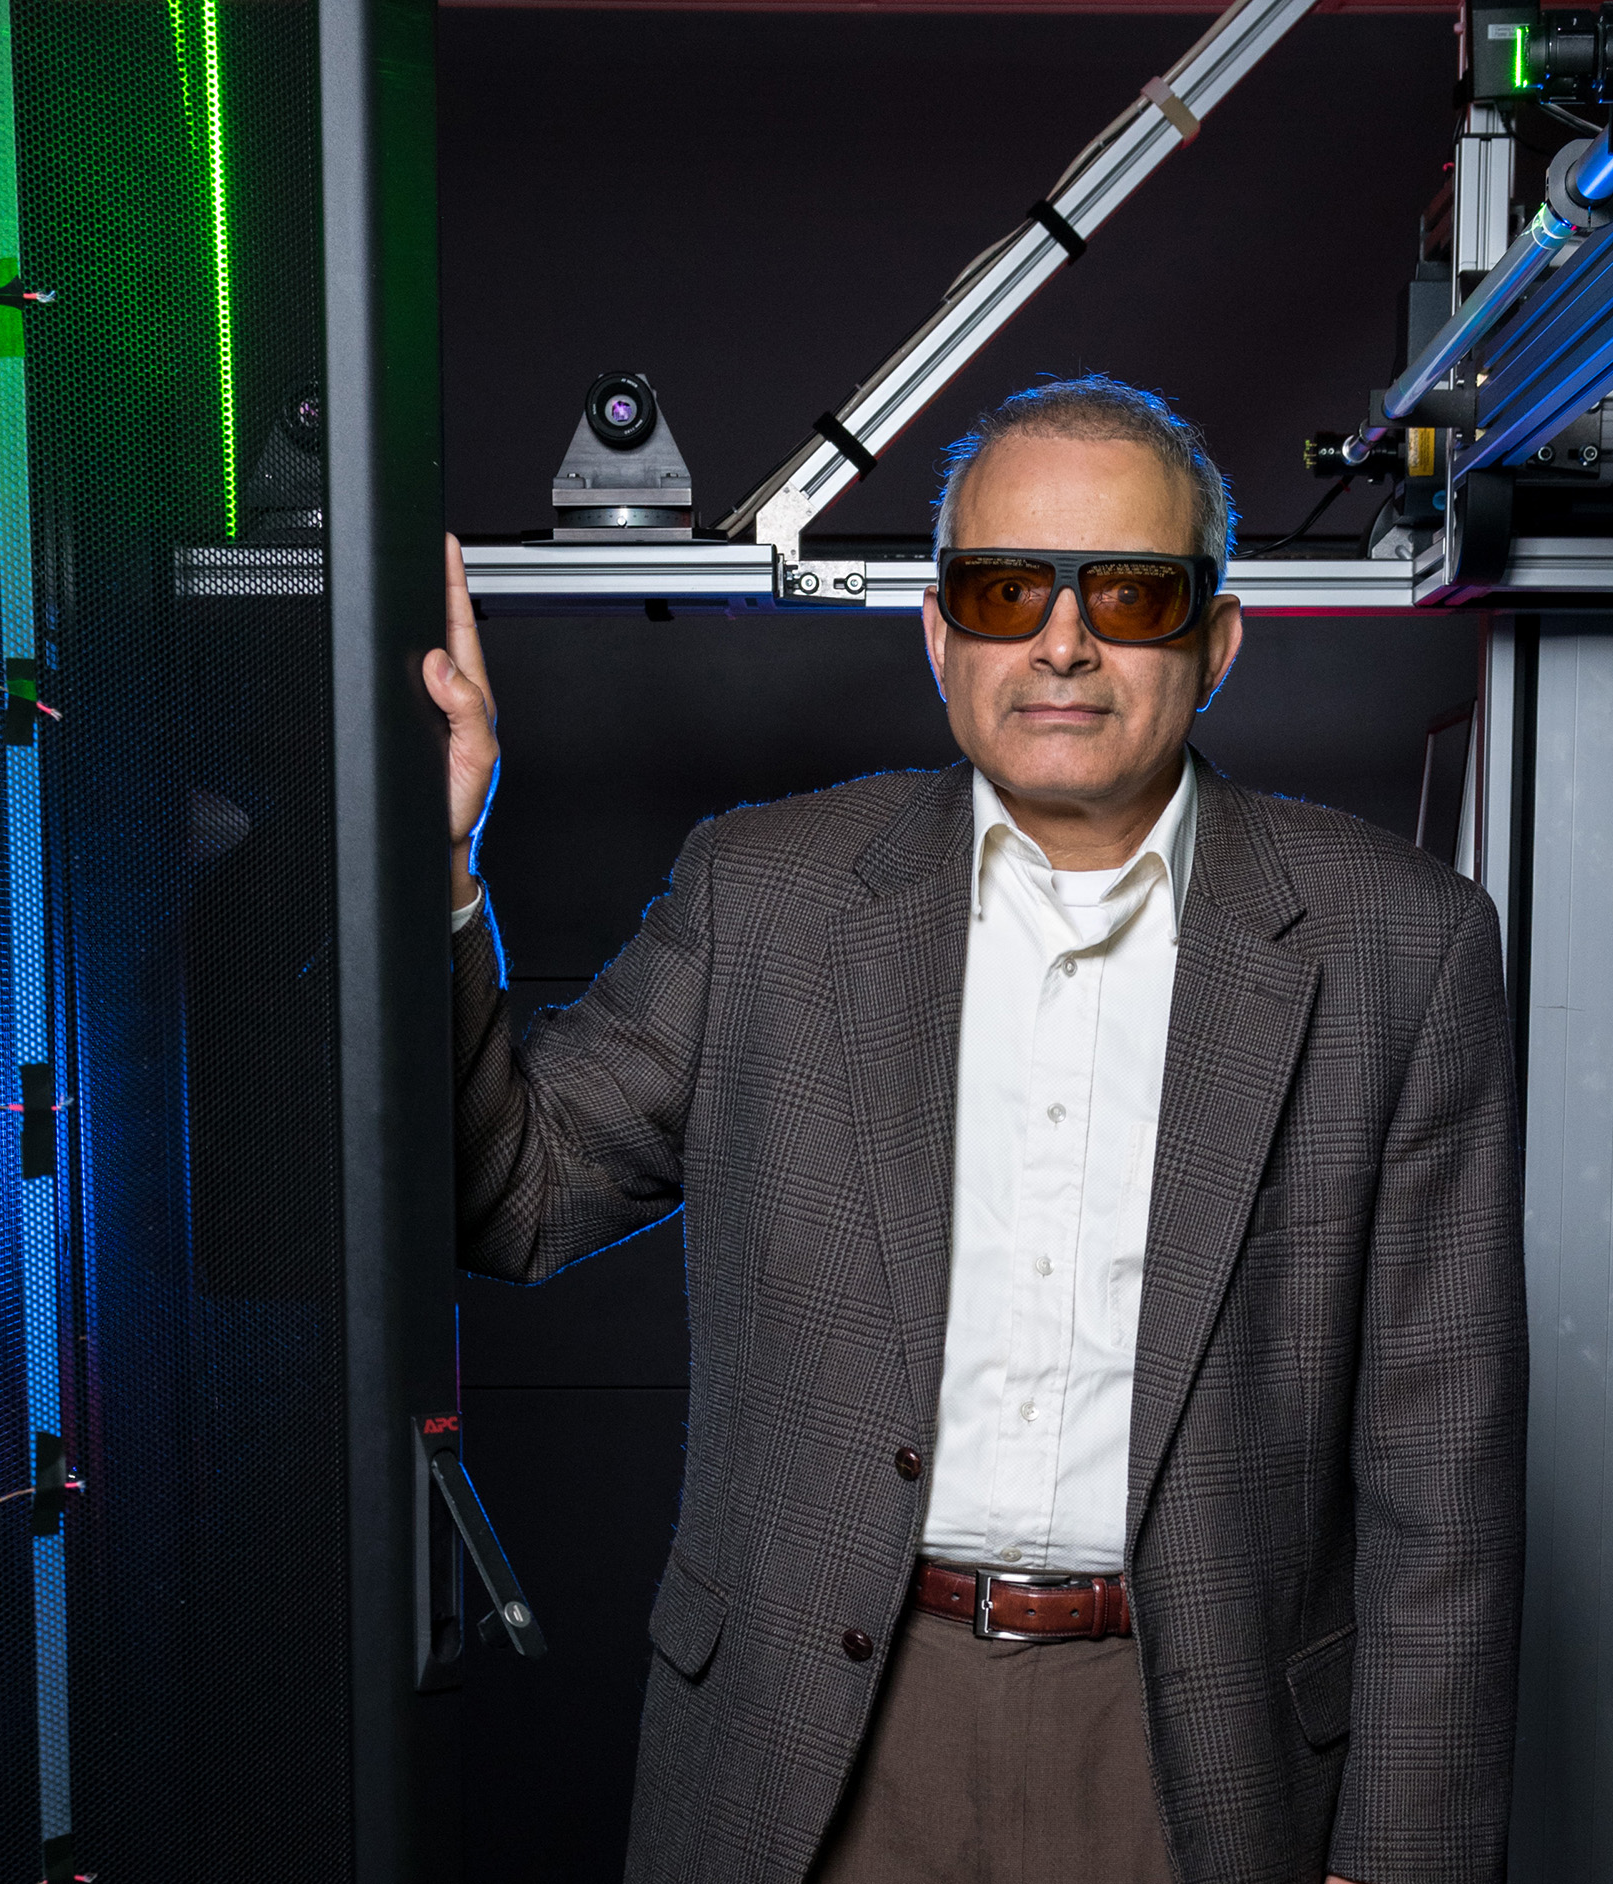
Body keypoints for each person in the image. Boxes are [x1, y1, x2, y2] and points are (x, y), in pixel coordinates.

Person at [423, 376, 1524, 1884]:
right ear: (942, 636)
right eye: (1008, 588)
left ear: (1216, 640)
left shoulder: (1402, 946)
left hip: (1199, 1754)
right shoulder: (770, 898)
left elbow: (1441, 1472)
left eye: (1130, 595)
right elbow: (508, 1193)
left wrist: (1404, 1860)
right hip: (814, 1735)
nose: (1062, 641)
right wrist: (436, 869)